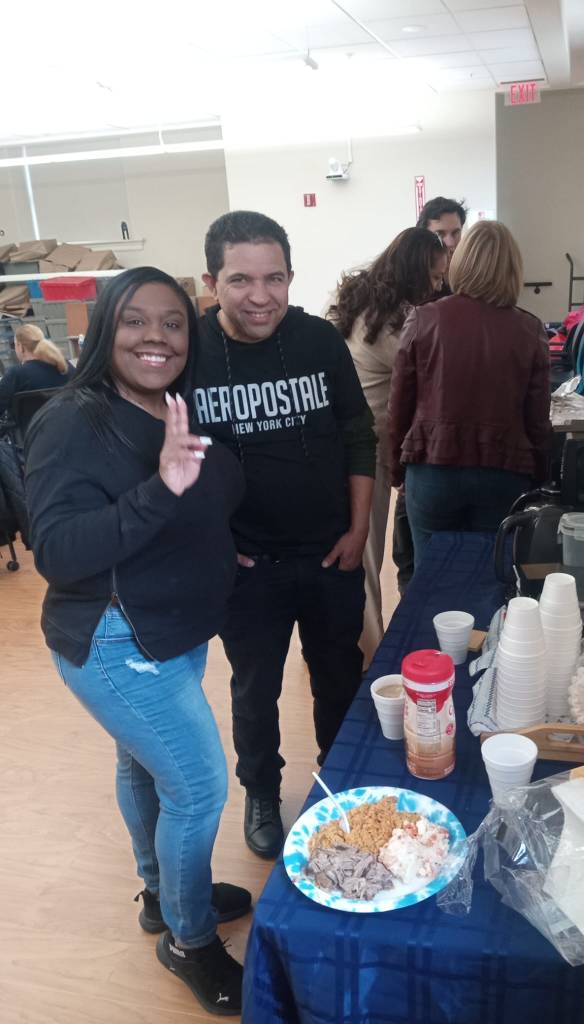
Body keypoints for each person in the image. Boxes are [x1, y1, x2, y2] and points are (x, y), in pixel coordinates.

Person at [24, 267, 250, 1017]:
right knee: (199, 786)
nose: (157, 337)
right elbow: (59, 552)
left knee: (145, 766)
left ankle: (163, 893)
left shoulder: (174, 407)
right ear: (104, 331)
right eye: (135, 321)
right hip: (118, 641)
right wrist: (161, 489)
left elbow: (195, 501)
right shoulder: (73, 420)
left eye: (173, 323)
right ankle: (189, 939)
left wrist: (221, 547)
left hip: (171, 629)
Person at [193, 211, 376, 860]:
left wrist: (359, 527)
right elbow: (167, 459)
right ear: (211, 282)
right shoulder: (190, 352)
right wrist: (213, 544)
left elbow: (358, 434)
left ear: (292, 277)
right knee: (254, 690)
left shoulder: (319, 341)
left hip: (330, 553)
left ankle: (338, 780)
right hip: (247, 566)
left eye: (274, 278)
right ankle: (263, 793)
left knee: (339, 678)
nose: (260, 296)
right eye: (240, 280)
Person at [389, 220, 552, 568]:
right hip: (504, 472)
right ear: (512, 269)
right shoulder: (530, 330)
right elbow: (537, 420)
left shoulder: (423, 319)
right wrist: (540, 475)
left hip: (432, 469)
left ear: (461, 262)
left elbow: (399, 406)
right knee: (492, 576)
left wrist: (396, 470)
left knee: (432, 577)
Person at [328, 227, 447, 666]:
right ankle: (370, 660)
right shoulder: (394, 324)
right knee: (363, 558)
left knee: (357, 555)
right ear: (414, 272)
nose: (437, 286)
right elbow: (431, 375)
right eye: (433, 277)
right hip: (366, 449)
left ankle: (347, 646)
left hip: (349, 442)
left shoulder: (362, 300)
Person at [393, 196, 469, 593]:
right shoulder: (402, 296)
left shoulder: (463, 284)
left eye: (456, 233)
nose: (450, 242)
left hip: (451, 439)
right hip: (418, 440)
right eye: (441, 234)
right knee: (411, 552)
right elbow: (403, 389)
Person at [0, 323, 72, 417]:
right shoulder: (67, 367)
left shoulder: (16, 374)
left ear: (21, 347)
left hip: (28, 426)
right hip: (67, 423)